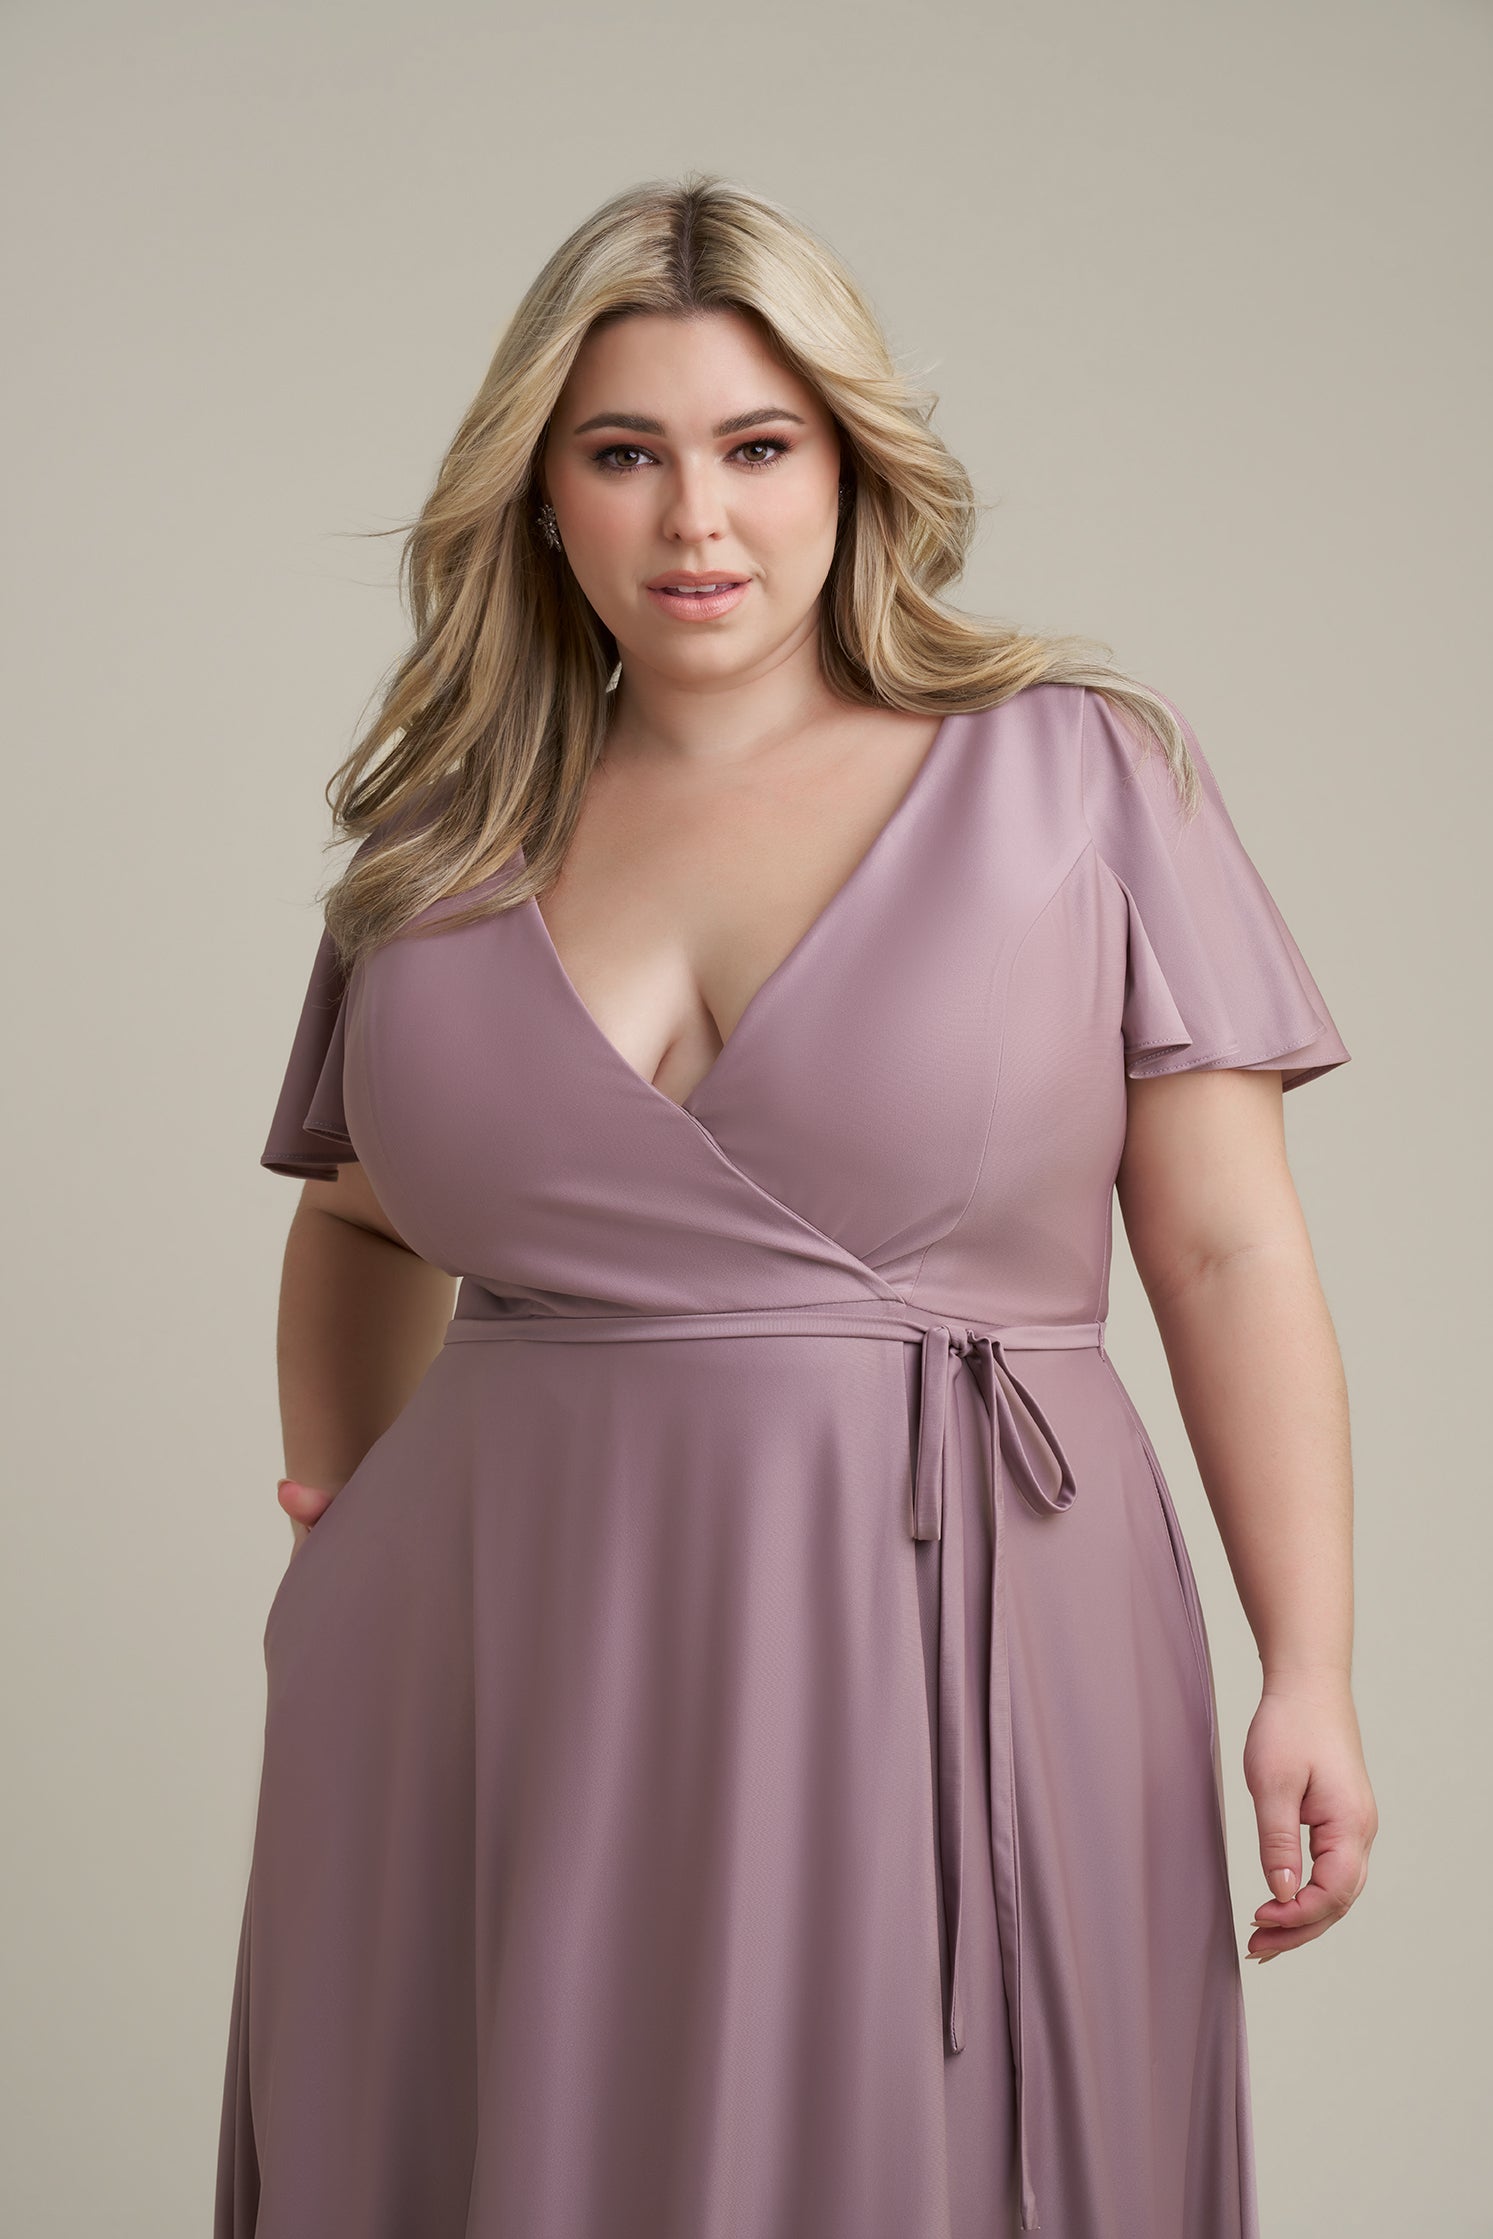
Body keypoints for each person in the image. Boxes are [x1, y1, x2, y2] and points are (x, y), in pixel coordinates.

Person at [215, 171, 1376, 2239]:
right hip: (497, 1677)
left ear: (853, 464)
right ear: (539, 492)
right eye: (624, 455)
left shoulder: (1078, 780)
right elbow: (367, 1215)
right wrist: (337, 1535)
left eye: (757, 448)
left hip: (959, 1625)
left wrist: (1309, 1662)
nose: (697, 521)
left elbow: (1223, 1248)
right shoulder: (438, 844)